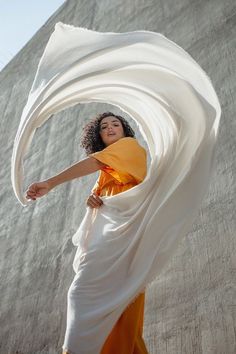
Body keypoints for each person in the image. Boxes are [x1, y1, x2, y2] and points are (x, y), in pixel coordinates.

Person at [26, 111, 148, 354]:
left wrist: (49, 183)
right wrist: (94, 200)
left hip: (123, 235)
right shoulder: (109, 171)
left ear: (124, 131)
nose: (111, 127)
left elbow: (95, 162)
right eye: (105, 126)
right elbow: (102, 194)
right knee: (115, 304)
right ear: (99, 135)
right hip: (109, 234)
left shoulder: (130, 146)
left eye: (116, 124)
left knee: (88, 294)